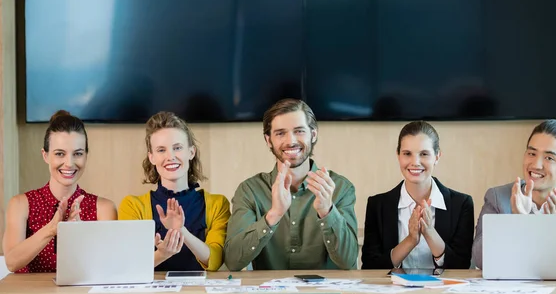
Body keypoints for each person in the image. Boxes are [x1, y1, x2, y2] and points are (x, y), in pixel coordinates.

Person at [224, 98, 358, 270]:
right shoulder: (250, 191)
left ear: (313, 135)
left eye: (299, 131)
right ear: (268, 140)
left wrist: (327, 211)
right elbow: (233, 262)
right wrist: (273, 215)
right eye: (280, 133)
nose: (290, 141)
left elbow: (349, 262)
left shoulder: (340, 188)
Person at [473, 120, 556, 275]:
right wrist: (517, 221)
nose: (536, 164)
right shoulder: (498, 197)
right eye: (532, 154)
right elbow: (480, 259)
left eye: (549, 158)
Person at [2, 110, 117, 272]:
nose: (69, 163)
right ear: (45, 155)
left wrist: (82, 234)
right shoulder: (21, 204)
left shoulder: (104, 208)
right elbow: (12, 262)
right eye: (59, 154)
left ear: (86, 156)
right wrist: (51, 229)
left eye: (78, 154)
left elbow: (108, 267)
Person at [118, 111, 230, 271]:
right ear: (152, 157)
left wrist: (181, 231)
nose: (170, 157)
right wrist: (162, 254)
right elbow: (129, 266)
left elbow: (216, 260)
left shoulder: (218, 204)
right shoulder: (132, 206)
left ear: (191, 152)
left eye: (177, 148)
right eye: (161, 150)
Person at [362, 121, 474, 270]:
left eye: (424, 154)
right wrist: (410, 240)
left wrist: (429, 233)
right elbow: (370, 268)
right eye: (407, 154)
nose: (415, 162)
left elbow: (462, 266)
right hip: (392, 292)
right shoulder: (378, 205)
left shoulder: (461, 204)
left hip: (442, 292)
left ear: (437, 156)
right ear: (398, 155)